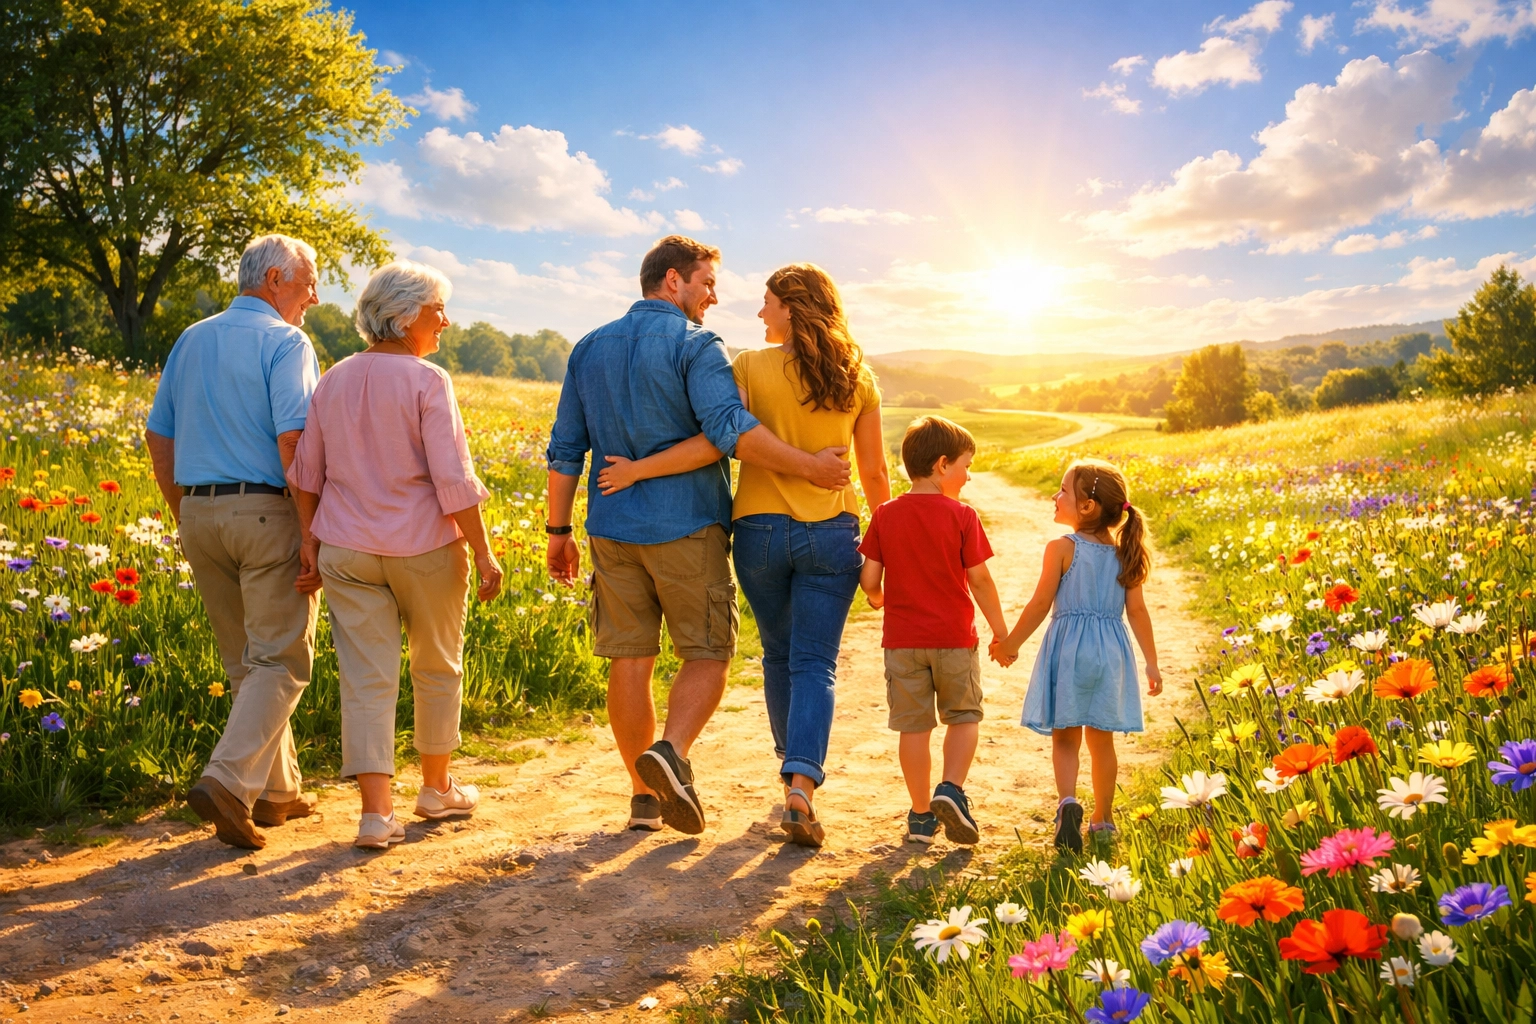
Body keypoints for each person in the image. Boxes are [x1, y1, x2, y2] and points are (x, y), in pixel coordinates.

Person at [545, 235, 855, 836]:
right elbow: (729, 430)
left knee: (629, 661)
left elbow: (565, 451)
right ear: (672, 280)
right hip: (686, 526)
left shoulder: (588, 348)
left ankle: (643, 799)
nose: (714, 298)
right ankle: (672, 751)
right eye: (707, 283)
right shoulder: (696, 345)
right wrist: (809, 466)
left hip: (611, 528)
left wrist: (558, 530)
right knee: (709, 652)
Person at [599, 263, 890, 847]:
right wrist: (884, 554)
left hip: (757, 531)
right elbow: (877, 473)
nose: (759, 314)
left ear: (793, 307)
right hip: (832, 530)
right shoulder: (858, 374)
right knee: (815, 663)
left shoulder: (749, 367)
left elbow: (726, 438)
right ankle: (799, 787)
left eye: (767, 303)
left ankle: (788, 774)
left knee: (779, 656)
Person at [287, 259, 504, 850]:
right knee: (436, 663)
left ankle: (376, 815)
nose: (447, 322)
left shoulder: (333, 378)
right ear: (406, 316)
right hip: (425, 547)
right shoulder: (428, 381)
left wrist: (310, 539)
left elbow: (306, 472)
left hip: (347, 549)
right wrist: (483, 553)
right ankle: (436, 790)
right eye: (438, 311)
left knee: (365, 679)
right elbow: (453, 479)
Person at [145, 233, 323, 851]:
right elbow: (294, 440)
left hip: (199, 511)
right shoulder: (286, 341)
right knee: (283, 659)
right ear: (275, 281)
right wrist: (311, 529)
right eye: (309, 282)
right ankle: (226, 780)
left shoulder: (192, 338)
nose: (315, 297)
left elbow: (158, 436)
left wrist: (183, 510)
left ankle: (278, 794)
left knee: (248, 660)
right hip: (267, 510)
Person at [992, 458, 1162, 854]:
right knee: (1102, 743)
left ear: (1086, 506)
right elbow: (1137, 611)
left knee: (1066, 739)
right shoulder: (1125, 553)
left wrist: (1011, 644)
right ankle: (1104, 820)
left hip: (1069, 653)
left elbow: (1039, 604)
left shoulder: (1061, 549)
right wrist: (1151, 662)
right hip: (1110, 655)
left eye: (1063, 490)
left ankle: (1067, 803)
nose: (1055, 496)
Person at [857, 416, 1008, 846]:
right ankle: (952, 790)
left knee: (914, 728)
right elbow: (980, 580)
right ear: (942, 465)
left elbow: (869, 579)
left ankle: (921, 817)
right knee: (963, 717)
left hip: (903, 643)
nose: (969, 473)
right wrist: (1001, 632)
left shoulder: (886, 514)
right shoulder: (962, 515)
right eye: (965, 464)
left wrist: (878, 599)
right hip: (954, 640)